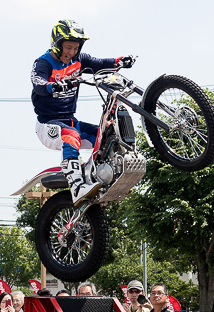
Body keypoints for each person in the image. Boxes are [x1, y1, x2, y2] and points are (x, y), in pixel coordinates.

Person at [30, 19, 134, 205]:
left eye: (76, 48)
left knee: (107, 136)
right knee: (71, 135)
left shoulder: (79, 60)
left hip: (71, 121)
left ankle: (106, 177)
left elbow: (100, 63)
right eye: (68, 47)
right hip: (47, 125)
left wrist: (120, 61)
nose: (72, 52)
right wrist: (53, 86)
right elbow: (38, 83)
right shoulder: (44, 63)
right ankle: (76, 186)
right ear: (57, 44)